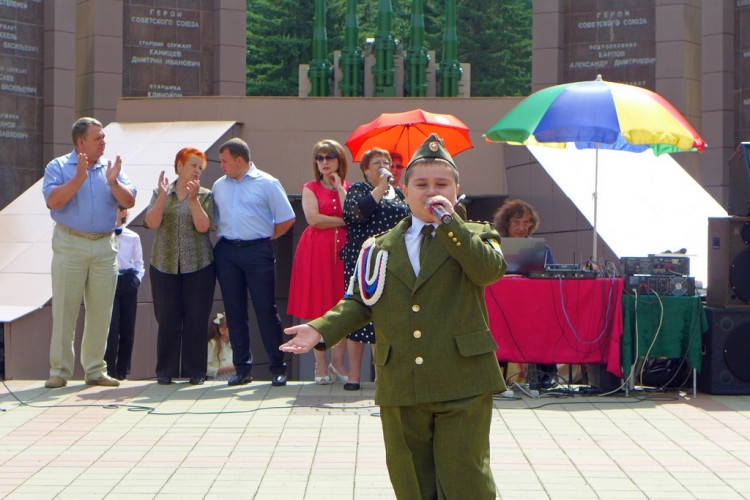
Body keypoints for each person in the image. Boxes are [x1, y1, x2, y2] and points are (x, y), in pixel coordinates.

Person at [281, 133, 507, 499]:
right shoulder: (379, 247)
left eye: (441, 184)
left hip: (462, 380)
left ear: (456, 189)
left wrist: (450, 223)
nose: (431, 191)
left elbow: (488, 271)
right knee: (412, 485)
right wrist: (320, 328)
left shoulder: (477, 236)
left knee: (467, 482)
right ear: (403, 188)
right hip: (402, 380)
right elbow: (360, 302)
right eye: (421, 184)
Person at [42, 117, 136, 389]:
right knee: (64, 309)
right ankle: (59, 371)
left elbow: (129, 200)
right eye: (98, 138)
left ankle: (95, 370)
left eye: (104, 137)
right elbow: (53, 201)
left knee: (101, 311)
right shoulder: (58, 166)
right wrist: (79, 177)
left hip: (105, 246)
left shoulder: (111, 169)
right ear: (81, 142)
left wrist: (114, 182)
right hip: (70, 243)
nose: (104, 143)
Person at [213, 138, 296, 387]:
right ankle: (242, 369)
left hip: (258, 250)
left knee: (265, 310)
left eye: (225, 161)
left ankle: (277, 368)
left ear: (240, 160)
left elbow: (287, 218)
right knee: (234, 312)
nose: (222, 166)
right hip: (227, 250)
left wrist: (266, 237)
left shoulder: (267, 183)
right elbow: (216, 219)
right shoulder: (219, 186)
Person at [144, 147, 215, 386]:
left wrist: (194, 200)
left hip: (199, 264)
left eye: (200, 167)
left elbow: (204, 227)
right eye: (193, 165)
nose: (197, 171)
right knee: (167, 317)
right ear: (179, 166)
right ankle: (166, 370)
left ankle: (196, 371)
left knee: (196, 317)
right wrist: (163, 196)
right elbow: (151, 223)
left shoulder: (205, 194)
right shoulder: (159, 192)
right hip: (164, 264)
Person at [341, 147, 410, 390]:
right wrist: (380, 188)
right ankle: (354, 375)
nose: (383, 166)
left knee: (385, 320)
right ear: (365, 169)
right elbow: (356, 215)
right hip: (363, 260)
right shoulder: (359, 190)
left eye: (387, 162)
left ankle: (382, 375)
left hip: (391, 262)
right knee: (358, 314)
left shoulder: (399, 194)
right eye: (377, 163)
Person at [287, 140, 350, 384]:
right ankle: (320, 365)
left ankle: (338, 362)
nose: (324, 162)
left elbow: (351, 215)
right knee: (319, 307)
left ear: (339, 160)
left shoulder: (350, 188)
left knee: (342, 306)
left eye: (330, 157)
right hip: (317, 251)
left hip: (343, 251)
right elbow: (314, 219)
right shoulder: (310, 187)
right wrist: (343, 221)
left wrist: (340, 190)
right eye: (320, 158)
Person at [493, 198, 558, 389]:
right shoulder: (494, 244)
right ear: (507, 223)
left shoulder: (542, 248)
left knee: (545, 328)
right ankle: (497, 374)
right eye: (517, 222)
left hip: (534, 305)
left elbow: (552, 274)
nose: (522, 227)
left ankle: (548, 374)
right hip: (504, 304)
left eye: (526, 222)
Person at [105, 206, 144, 381]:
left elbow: (138, 262)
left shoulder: (133, 237)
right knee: (111, 330)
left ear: (122, 212)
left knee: (127, 330)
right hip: (108, 281)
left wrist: (136, 281)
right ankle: (109, 370)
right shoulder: (103, 235)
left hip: (127, 281)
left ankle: (122, 370)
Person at [207, 312, 236, 381]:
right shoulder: (212, 344)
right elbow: (206, 369)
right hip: (217, 380)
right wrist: (228, 369)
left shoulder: (233, 344)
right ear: (222, 330)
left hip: (232, 378)